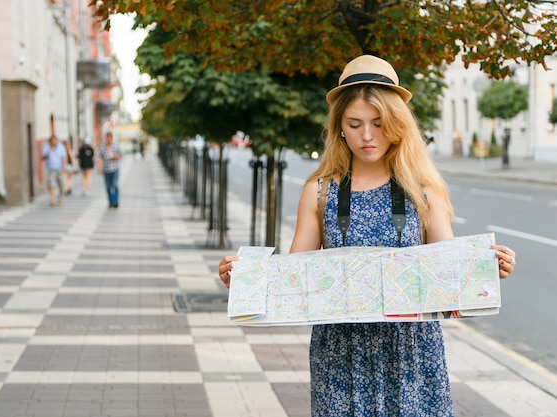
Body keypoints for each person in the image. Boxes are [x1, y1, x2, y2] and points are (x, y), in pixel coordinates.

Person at [218, 55, 517, 416]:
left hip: (411, 355)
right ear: (339, 126)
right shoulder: (319, 190)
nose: (367, 136)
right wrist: (244, 278)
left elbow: (449, 270)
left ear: (397, 124)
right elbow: (294, 276)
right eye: (355, 124)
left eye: (378, 123)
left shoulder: (424, 190)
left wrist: (488, 267)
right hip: (339, 355)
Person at [97, 131, 123, 208]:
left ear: (111, 138)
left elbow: (121, 155)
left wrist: (115, 157)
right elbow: (99, 158)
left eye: (109, 138)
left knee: (114, 185)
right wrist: (100, 168)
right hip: (106, 170)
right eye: (107, 138)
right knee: (108, 186)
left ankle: (115, 201)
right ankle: (111, 201)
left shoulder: (116, 146)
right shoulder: (102, 147)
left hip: (115, 169)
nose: (108, 140)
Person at [40, 134, 67, 207]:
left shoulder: (61, 147)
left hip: (59, 168)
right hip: (50, 169)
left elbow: (64, 157)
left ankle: (59, 197)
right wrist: (46, 155)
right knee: (51, 184)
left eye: (55, 141)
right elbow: (42, 158)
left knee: (61, 185)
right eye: (53, 141)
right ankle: (52, 199)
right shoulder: (46, 147)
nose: (54, 142)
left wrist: (64, 166)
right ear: (50, 141)